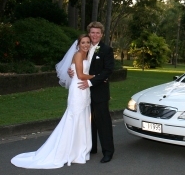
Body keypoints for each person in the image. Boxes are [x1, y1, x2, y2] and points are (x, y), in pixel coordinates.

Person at [11, 34, 94, 169]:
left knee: (82, 118)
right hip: (78, 89)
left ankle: (78, 150)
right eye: (83, 42)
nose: (85, 45)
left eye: (87, 42)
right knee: (74, 117)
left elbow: (79, 71)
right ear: (78, 44)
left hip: (84, 90)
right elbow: (80, 75)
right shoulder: (79, 55)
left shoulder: (86, 55)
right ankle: (67, 151)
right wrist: (97, 77)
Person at [77, 22, 115, 163]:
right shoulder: (84, 48)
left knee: (103, 122)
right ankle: (91, 147)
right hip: (84, 92)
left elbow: (108, 70)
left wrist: (92, 81)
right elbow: (79, 66)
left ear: (102, 34)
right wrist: (72, 71)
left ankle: (108, 151)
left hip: (99, 92)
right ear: (89, 33)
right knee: (88, 122)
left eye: (97, 33)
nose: (94, 35)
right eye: (92, 32)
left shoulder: (106, 50)